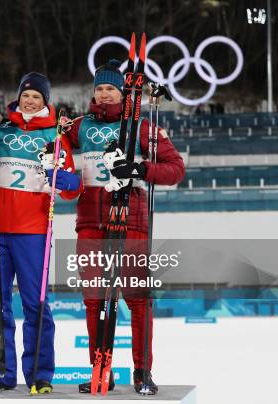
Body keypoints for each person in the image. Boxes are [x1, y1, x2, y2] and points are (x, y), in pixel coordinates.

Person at [64, 60, 185, 394]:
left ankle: (142, 371)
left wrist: (141, 169)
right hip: (90, 221)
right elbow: (51, 141)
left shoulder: (142, 127)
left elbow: (175, 169)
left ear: (122, 92)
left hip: (131, 219)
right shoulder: (79, 126)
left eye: (111, 88)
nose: (104, 94)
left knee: (137, 298)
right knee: (94, 300)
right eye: (99, 88)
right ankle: (100, 370)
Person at [0, 72, 81, 393]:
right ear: (18, 98)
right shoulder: (1, 130)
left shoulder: (54, 136)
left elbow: (73, 188)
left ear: (46, 101)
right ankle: (1, 374)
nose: (30, 101)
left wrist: (57, 174)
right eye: (26, 95)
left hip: (33, 231)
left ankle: (40, 374)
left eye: (37, 97)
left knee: (36, 304)